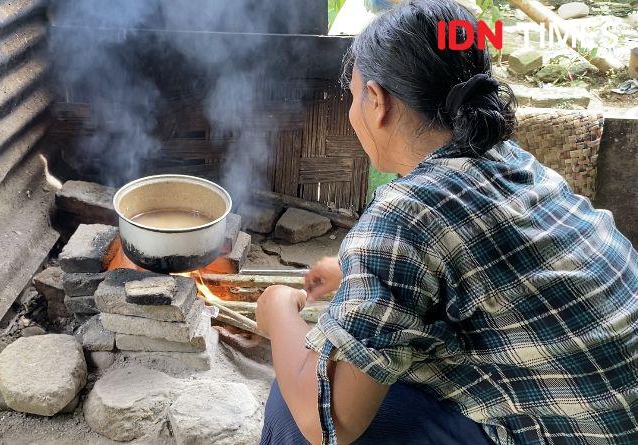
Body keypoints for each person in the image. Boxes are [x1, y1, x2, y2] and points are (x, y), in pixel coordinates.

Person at [254, 0, 638, 444]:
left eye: (353, 94)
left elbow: (327, 423)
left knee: (295, 401)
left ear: (377, 101)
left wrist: (279, 311)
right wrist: (354, 273)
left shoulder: (405, 214)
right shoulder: (510, 160)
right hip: (613, 418)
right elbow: (490, 269)